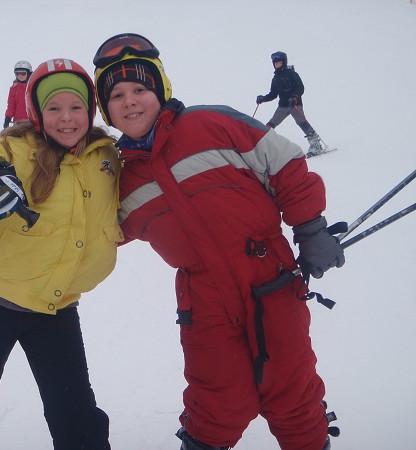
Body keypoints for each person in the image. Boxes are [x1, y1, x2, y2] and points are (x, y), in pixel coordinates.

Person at [93, 33, 345, 450]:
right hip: (204, 302)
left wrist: (311, 229)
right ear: (106, 109)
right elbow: (94, 232)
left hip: (273, 281)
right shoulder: (122, 181)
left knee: (293, 393)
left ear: (160, 89)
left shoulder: (212, 124)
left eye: (139, 88)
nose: (130, 101)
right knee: (215, 400)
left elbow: (285, 164)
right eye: (116, 95)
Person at [0, 58, 122, 450]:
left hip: (56, 308)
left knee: (77, 414)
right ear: (36, 113)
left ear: (91, 110)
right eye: (53, 108)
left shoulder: (108, 159)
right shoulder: (18, 151)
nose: (66, 118)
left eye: (75, 107)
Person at [256, 51, 325, 157]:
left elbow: (300, 87)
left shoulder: (292, 74)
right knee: (271, 124)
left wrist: (295, 97)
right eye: (275, 63)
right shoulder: (275, 78)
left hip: (294, 104)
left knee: (301, 122)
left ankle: (316, 144)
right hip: (283, 106)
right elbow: (273, 94)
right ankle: (261, 145)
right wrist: (263, 99)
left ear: (284, 62)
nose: (277, 65)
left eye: (279, 63)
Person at [3, 60, 32, 129]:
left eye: (23, 73)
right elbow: (11, 105)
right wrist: (7, 118)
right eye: (17, 73)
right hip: (18, 122)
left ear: (29, 74)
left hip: (32, 122)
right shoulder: (14, 88)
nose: (20, 76)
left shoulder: (33, 86)